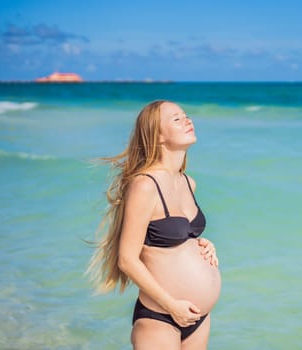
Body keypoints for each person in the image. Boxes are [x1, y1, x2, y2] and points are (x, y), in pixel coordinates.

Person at [86, 100, 222, 349]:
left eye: (186, 115)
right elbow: (127, 259)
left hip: (198, 318)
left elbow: (179, 240)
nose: (187, 120)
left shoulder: (187, 182)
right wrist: (172, 306)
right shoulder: (145, 185)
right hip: (161, 317)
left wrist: (203, 244)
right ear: (157, 136)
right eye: (177, 119)